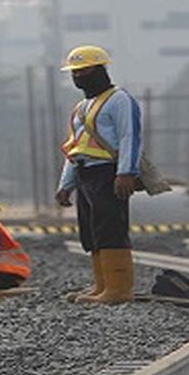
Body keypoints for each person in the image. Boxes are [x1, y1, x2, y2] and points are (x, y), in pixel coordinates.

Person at [54, 45, 143, 305]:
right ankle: (102, 285)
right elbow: (75, 147)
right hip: (85, 173)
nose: (78, 76)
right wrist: (66, 185)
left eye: (84, 71)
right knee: (91, 231)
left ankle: (119, 288)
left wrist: (126, 172)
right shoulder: (81, 107)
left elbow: (130, 137)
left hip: (108, 172)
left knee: (110, 228)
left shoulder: (119, 100)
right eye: (75, 72)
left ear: (101, 69)